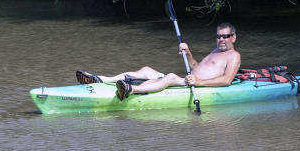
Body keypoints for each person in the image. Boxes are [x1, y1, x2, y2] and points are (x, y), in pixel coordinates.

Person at [76, 24, 242, 100]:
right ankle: (101, 79)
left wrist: (199, 82)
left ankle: (131, 89)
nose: (221, 39)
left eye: (225, 36)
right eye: (218, 36)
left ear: (233, 37)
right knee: (147, 70)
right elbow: (196, 68)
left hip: (193, 85)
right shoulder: (215, 52)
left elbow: (226, 80)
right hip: (190, 79)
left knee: (169, 76)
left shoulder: (233, 56)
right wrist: (189, 53)